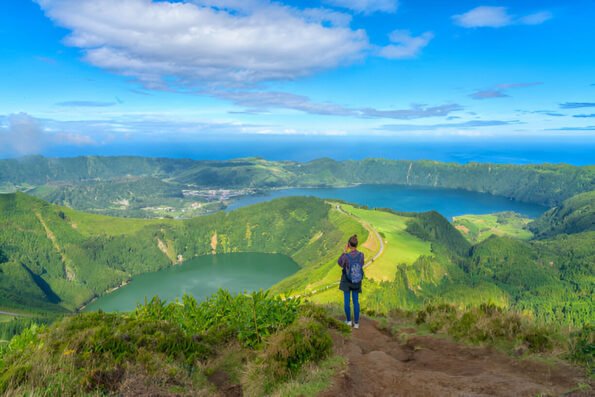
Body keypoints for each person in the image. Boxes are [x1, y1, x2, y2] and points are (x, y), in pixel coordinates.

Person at [338, 234, 364, 329]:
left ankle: (349, 321)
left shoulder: (346, 256)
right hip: (357, 280)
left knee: (346, 301)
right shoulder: (361, 255)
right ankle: (356, 323)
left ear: (348, 245)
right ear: (357, 244)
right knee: (356, 301)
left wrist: (344, 252)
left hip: (347, 281)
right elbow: (361, 264)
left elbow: (340, 263)